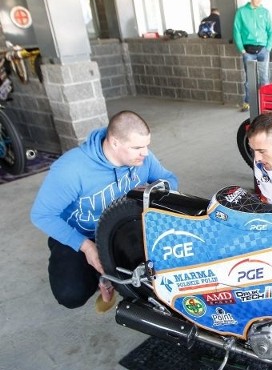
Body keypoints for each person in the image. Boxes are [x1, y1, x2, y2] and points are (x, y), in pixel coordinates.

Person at [30, 111, 178, 312]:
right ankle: (101, 276)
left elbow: (169, 178)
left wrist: (160, 188)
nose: (145, 153)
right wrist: (87, 247)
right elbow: (41, 215)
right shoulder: (70, 169)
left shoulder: (142, 158)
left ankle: (110, 278)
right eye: (137, 147)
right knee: (71, 295)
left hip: (124, 229)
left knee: (170, 266)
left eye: (146, 145)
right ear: (115, 143)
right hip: (82, 234)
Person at [233, 0, 272, 112]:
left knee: (264, 78)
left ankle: (266, 103)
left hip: (263, 50)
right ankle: (247, 102)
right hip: (248, 51)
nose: (259, 1)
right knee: (250, 79)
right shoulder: (241, 12)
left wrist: (268, 47)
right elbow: (236, 31)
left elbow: (271, 31)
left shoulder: (265, 12)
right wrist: (241, 49)